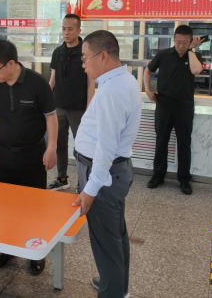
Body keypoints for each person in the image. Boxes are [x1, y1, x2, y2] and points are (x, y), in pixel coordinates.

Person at [73, 30, 142, 298]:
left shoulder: (111, 91)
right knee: (115, 235)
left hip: (103, 174)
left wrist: (90, 190)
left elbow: (106, 147)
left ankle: (113, 291)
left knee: (106, 242)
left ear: (103, 56)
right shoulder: (124, 80)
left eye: (85, 58)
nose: (83, 64)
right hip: (113, 171)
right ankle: (115, 286)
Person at [0, 39, 58, 276]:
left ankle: (36, 252)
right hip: (4, 153)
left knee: (34, 206)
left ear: (11, 63)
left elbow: (51, 117)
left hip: (33, 153)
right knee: (5, 205)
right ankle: (6, 249)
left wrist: (52, 147)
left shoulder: (37, 83)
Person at [144, 25, 204, 195]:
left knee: (184, 143)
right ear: (174, 40)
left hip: (184, 107)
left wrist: (191, 50)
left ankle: (184, 179)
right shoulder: (163, 55)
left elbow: (196, 70)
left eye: (184, 42)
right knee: (161, 141)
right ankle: (158, 175)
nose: (180, 46)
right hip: (164, 105)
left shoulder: (195, 55)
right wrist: (147, 89)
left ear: (191, 41)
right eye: (177, 42)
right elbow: (148, 71)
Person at [48, 14, 95, 191]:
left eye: (70, 29)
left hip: (79, 109)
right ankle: (62, 178)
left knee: (82, 147)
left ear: (78, 30)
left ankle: (83, 182)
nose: (66, 33)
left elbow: (91, 82)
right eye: (63, 29)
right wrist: (46, 101)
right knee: (59, 144)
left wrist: (89, 107)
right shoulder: (57, 52)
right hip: (58, 107)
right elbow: (52, 79)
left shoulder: (86, 53)